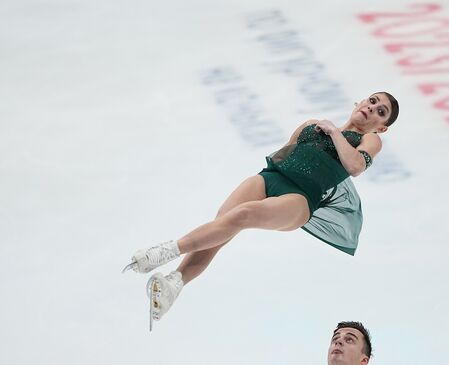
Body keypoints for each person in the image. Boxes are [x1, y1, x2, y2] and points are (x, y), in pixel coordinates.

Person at [123, 92, 399, 325]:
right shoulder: (312, 124)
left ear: (382, 126)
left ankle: (165, 252)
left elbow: (354, 166)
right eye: (371, 101)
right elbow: (289, 152)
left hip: (300, 199)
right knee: (222, 228)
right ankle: (175, 284)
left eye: (380, 111)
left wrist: (334, 132)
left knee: (242, 216)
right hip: (270, 177)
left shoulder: (370, 140)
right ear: (359, 102)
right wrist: (324, 130)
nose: (371, 108)